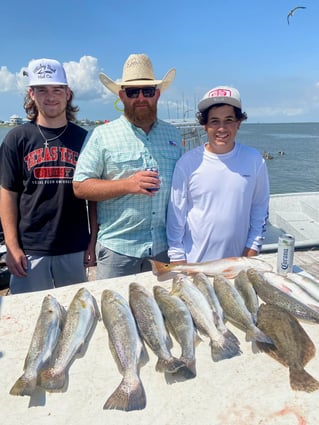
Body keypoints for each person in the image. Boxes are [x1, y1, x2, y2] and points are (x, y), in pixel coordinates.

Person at [73, 53, 182, 279]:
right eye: (133, 92)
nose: (141, 97)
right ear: (122, 96)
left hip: (164, 248)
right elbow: (80, 186)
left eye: (148, 91)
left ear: (157, 95)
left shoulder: (173, 134)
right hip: (118, 251)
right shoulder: (101, 135)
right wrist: (127, 184)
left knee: (162, 312)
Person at [0, 58, 97, 294]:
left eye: (57, 89)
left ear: (68, 93)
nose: (50, 96)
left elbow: (93, 196)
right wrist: (12, 248)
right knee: (29, 320)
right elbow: (7, 195)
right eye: (42, 90)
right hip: (30, 249)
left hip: (74, 246)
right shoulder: (16, 138)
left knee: (77, 316)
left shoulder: (85, 138)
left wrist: (92, 242)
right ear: (31, 94)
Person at [166, 86, 269, 264]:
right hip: (195, 265)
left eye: (229, 120)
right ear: (204, 125)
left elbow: (259, 210)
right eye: (214, 121)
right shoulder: (187, 163)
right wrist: (177, 259)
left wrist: (251, 251)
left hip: (239, 263)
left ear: (238, 123)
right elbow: (176, 217)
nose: (222, 128)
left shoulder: (254, 160)